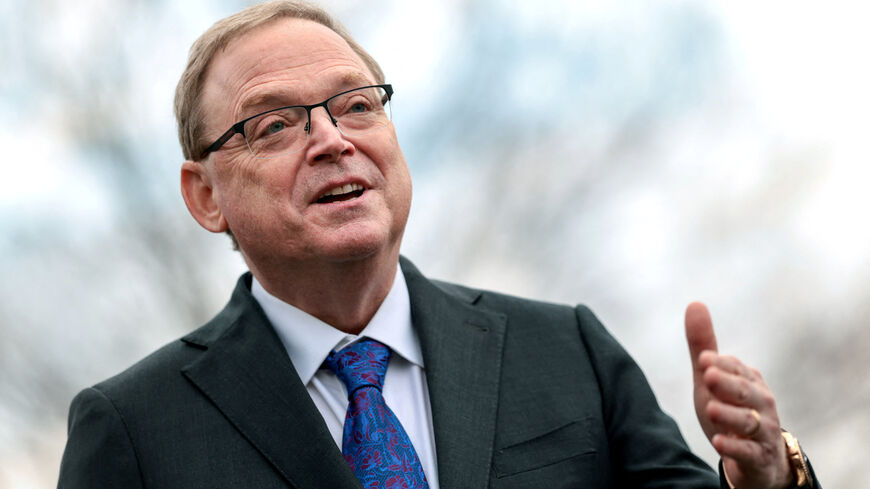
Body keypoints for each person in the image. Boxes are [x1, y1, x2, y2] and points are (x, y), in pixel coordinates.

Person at [58, 2, 821, 488]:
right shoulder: (132, 429)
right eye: (276, 124)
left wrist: (764, 480)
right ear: (206, 196)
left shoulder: (568, 351)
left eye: (355, 105)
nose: (331, 139)